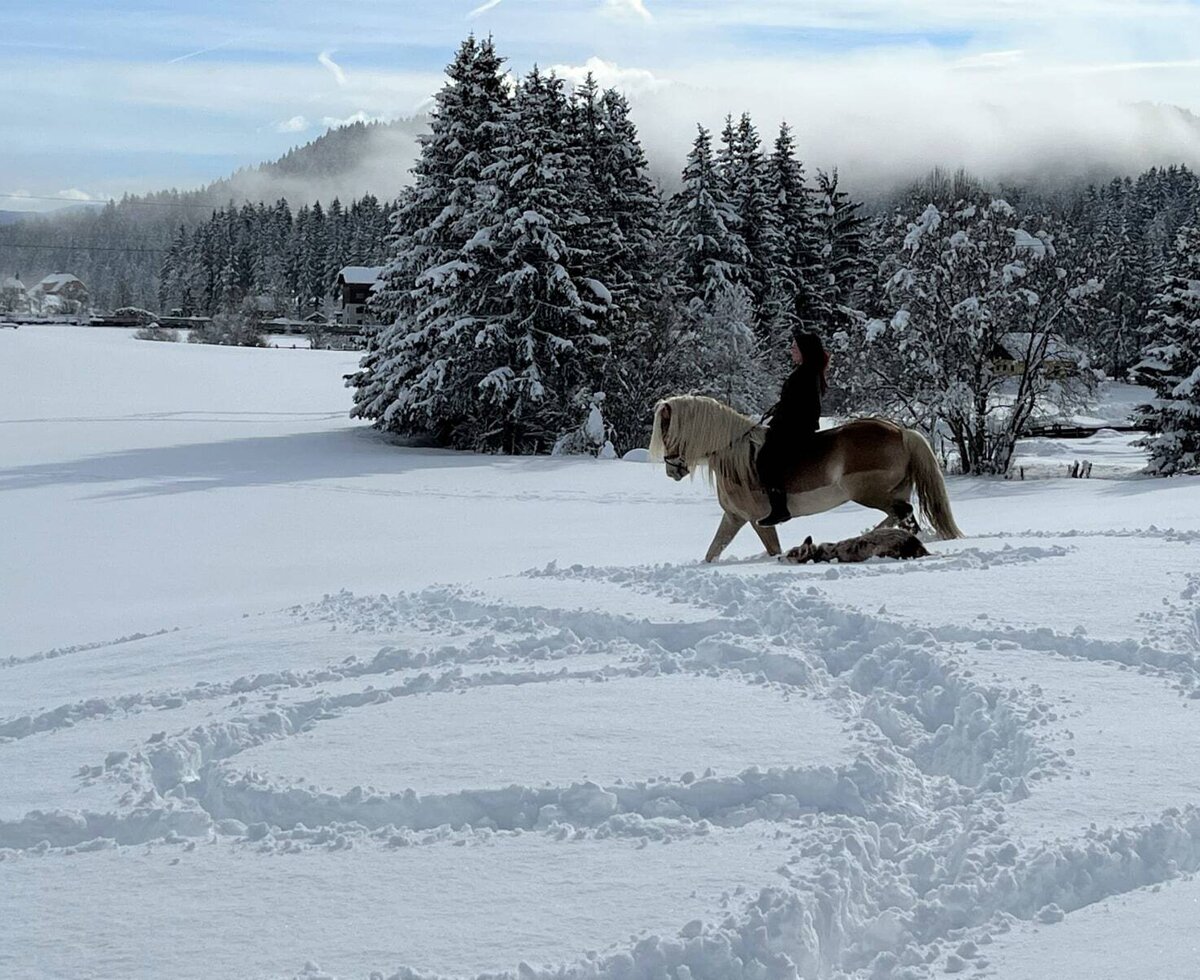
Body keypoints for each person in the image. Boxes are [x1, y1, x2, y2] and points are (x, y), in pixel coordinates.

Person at [755, 329, 829, 526]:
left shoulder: (805, 374)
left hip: (796, 430)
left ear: (804, 351)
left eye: (794, 347)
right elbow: (792, 402)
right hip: (795, 427)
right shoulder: (807, 372)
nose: (791, 350)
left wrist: (779, 421)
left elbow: (800, 408)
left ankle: (779, 509)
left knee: (765, 460)